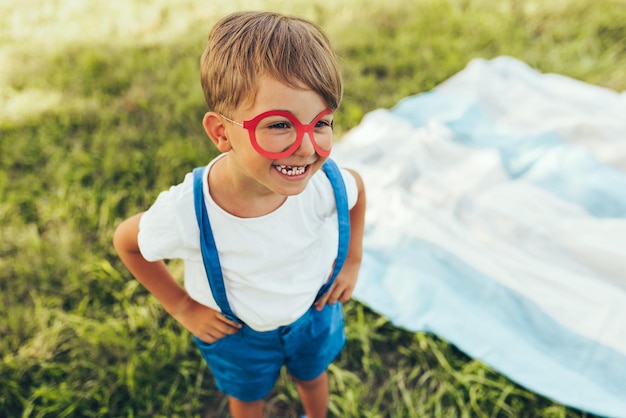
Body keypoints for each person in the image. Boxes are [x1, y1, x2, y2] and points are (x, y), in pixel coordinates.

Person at [113, 10, 366, 418]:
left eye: (322, 123)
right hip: (238, 335)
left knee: (313, 377)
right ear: (221, 133)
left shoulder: (323, 185)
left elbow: (356, 193)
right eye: (280, 125)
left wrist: (352, 261)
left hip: (313, 314)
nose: (307, 147)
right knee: (248, 399)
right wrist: (182, 306)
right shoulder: (189, 211)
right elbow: (127, 242)